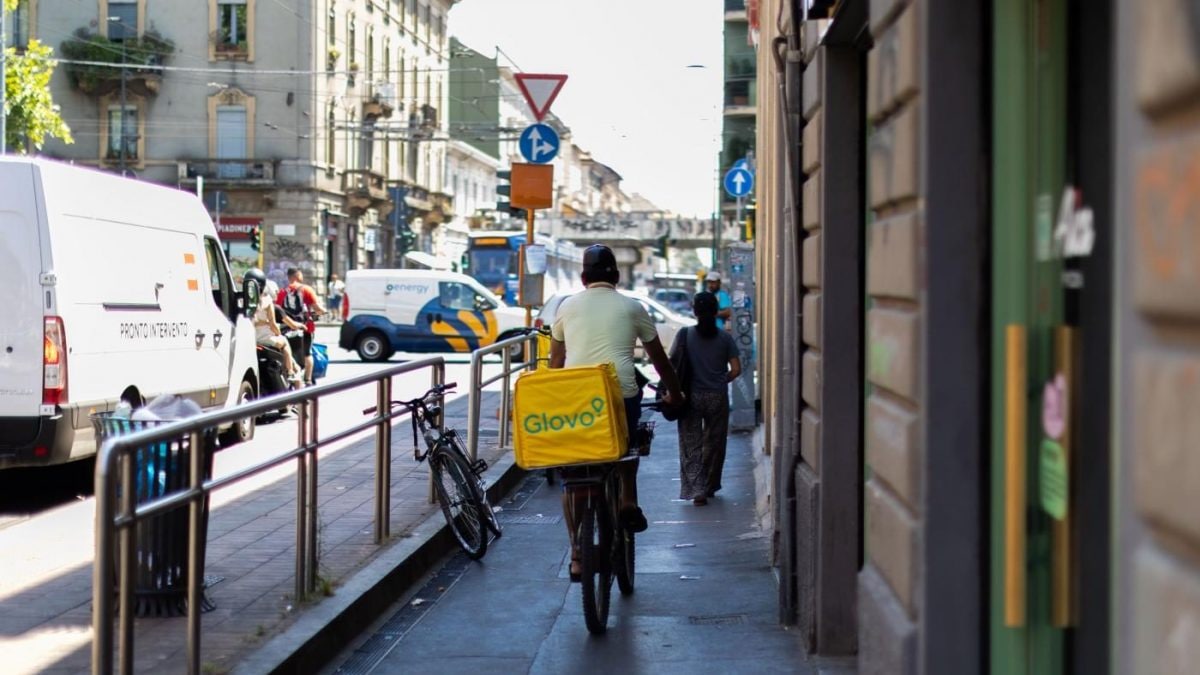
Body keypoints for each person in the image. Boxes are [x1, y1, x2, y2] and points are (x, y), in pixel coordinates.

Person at [549, 244, 682, 581]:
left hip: (578, 398)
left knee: (574, 474)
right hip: (621, 393)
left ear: (583, 278)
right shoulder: (633, 307)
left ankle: (576, 553)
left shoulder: (566, 307)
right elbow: (659, 360)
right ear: (617, 277)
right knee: (627, 444)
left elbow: (555, 363)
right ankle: (627, 500)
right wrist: (675, 393)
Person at [672, 292, 741, 505]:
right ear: (715, 311)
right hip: (717, 396)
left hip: (691, 397)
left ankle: (697, 490)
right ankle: (709, 484)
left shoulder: (685, 335)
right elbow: (736, 369)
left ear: (695, 312)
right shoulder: (725, 338)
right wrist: (721, 380)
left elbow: (672, 364)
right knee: (715, 443)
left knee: (691, 443)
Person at [249, 273, 303, 385]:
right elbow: (273, 324)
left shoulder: (244, 300)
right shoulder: (267, 301)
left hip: (251, 340)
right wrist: (277, 333)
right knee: (285, 342)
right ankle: (290, 372)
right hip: (266, 340)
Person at [276, 267, 326, 386]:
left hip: (287, 328)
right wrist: (321, 312)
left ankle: (291, 375)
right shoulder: (307, 290)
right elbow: (318, 309)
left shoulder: (282, 292)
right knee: (307, 354)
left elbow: (277, 310)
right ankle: (308, 380)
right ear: (297, 275)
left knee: (289, 352)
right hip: (306, 328)